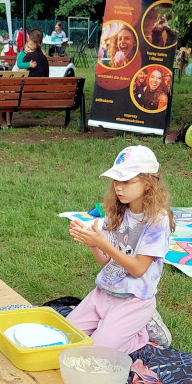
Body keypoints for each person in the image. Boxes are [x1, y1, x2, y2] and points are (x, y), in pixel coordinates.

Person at [66, 146, 175, 353]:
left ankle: (142, 331)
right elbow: (106, 261)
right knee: (65, 339)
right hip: (104, 293)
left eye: (126, 181)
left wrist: (103, 243)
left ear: (149, 183)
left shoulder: (156, 221)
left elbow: (138, 269)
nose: (118, 187)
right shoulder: (116, 211)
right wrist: (93, 244)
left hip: (134, 301)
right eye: (116, 180)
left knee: (94, 352)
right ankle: (113, 327)